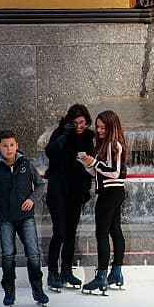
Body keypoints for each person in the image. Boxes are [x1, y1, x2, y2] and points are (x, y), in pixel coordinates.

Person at [0, 130, 48, 307]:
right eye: (5, 145)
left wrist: (31, 199)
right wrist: (0, 207)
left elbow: (40, 185)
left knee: (33, 254)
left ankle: (38, 290)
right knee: (8, 255)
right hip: (5, 220)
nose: (9, 148)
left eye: (12, 145)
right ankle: (9, 292)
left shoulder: (26, 165)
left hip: (26, 217)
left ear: (17, 146)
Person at [43, 104, 95, 292]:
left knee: (71, 233)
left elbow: (91, 163)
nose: (79, 126)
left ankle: (66, 271)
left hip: (77, 190)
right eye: (74, 123)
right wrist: (65, 134)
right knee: (60, 231)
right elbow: (51, 152)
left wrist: (85, 189)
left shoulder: (89, 137)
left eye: (81, 122)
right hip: (58, 188)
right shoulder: (60, 133)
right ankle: (52, 274)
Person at [79, 110, 129, 295]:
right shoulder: (106, 145)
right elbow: (100, 172)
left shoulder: (113, 144)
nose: (99, 130)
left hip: (110, 192)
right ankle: (116, 273)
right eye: (98, 127)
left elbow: (114, 172)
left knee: (102, 233)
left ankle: (102, 276)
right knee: (114, 230)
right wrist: (88, 163)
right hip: (113, 191)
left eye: (102, 127)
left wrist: (94, 163)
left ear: (111, 127)